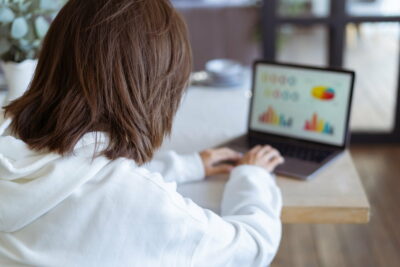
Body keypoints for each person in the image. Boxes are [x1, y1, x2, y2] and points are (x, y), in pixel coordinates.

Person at [0, 0, 284, 266]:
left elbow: (71, 171)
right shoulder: (143, 203)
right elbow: (253, 246)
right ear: (156, 91)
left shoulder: (7, 137)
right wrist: (253, 175)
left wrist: (188, 166)